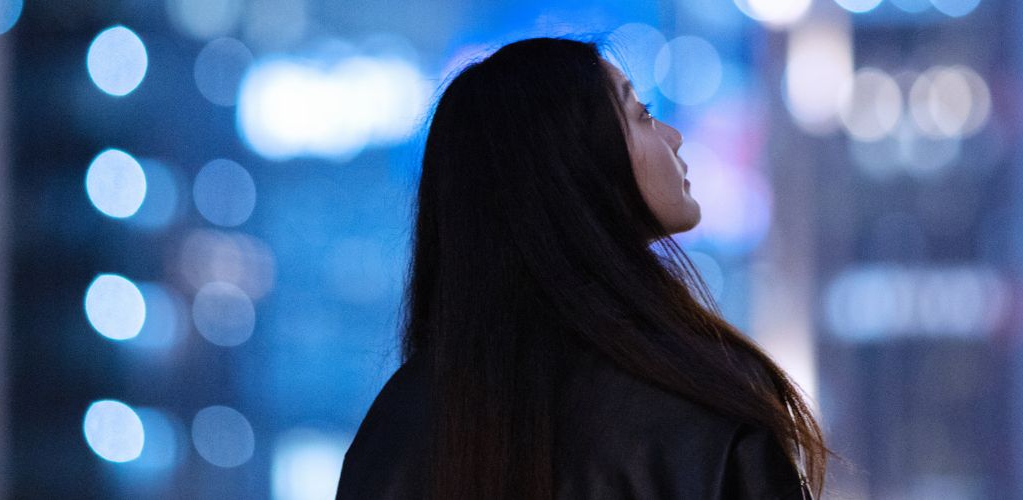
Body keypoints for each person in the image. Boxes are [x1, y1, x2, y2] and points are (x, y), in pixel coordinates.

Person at [335, 37, 828, 499]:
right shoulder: (704, 392)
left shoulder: (396, 425)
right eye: (643, 114)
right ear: (574, 161)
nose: (674, 137)